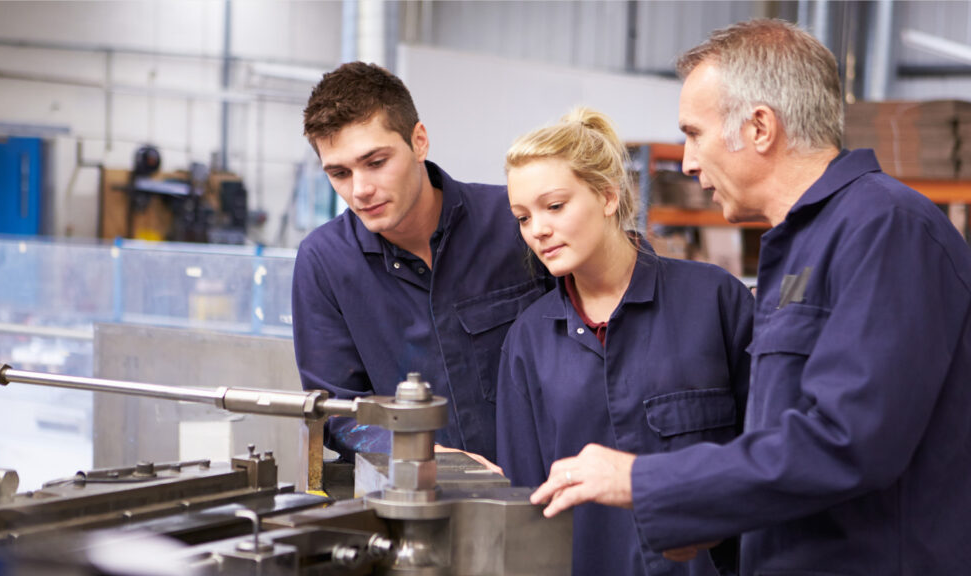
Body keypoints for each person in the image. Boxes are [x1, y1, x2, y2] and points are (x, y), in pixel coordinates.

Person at [530, 18, 971, 576]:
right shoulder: (805, 243)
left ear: (760, 127)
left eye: (695, 134)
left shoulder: (887, 230)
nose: (688, 162)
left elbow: (849, 441)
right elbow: (786, 445)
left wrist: (643, 480)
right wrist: (707, 517)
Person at [497, 107, 753, 576]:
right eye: (523, 217)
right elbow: (526, 506)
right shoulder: (527, 342)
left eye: (554, 206)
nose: (537, 230)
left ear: (608, 196)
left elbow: (769, 457)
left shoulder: (715, 300)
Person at [293, 62, 549, 466]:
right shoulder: (324, 263)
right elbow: (337, 412)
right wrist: (426, 457)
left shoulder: (515, 223)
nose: (360, 190)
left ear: (419, 142)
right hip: (414, 493)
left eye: (376, 162)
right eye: (340, 173)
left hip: (545, 486)